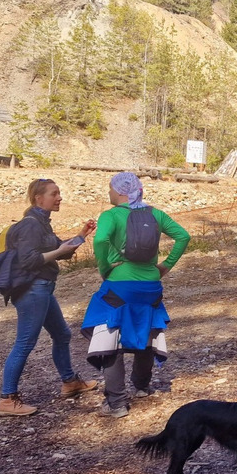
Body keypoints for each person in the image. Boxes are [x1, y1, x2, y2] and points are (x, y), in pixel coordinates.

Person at [82, 172, 190, 418]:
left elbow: (100, 240)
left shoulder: (110, 215)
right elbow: (183, 236)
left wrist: (106, 268)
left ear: (119, 191)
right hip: (150, 287)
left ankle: (117, 403)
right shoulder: (155, 214)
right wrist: (165, 266)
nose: (108, 193)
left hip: (120, 287)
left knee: (110, 337)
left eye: (110, 188)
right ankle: (141, 387)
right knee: (146, 329)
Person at [0, 178, 99, 417]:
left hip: (42, 289)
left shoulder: (42, 223)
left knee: (62, 334)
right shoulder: (31, 225)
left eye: (59, 193)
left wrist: (81, 235)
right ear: (38, 198)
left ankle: (70, 382)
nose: (59, 197)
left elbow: (58, 253)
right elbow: (28, 260)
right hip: (33, 291)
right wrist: (60, 251)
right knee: (24, 344)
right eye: (54, 194)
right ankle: (7, 399)